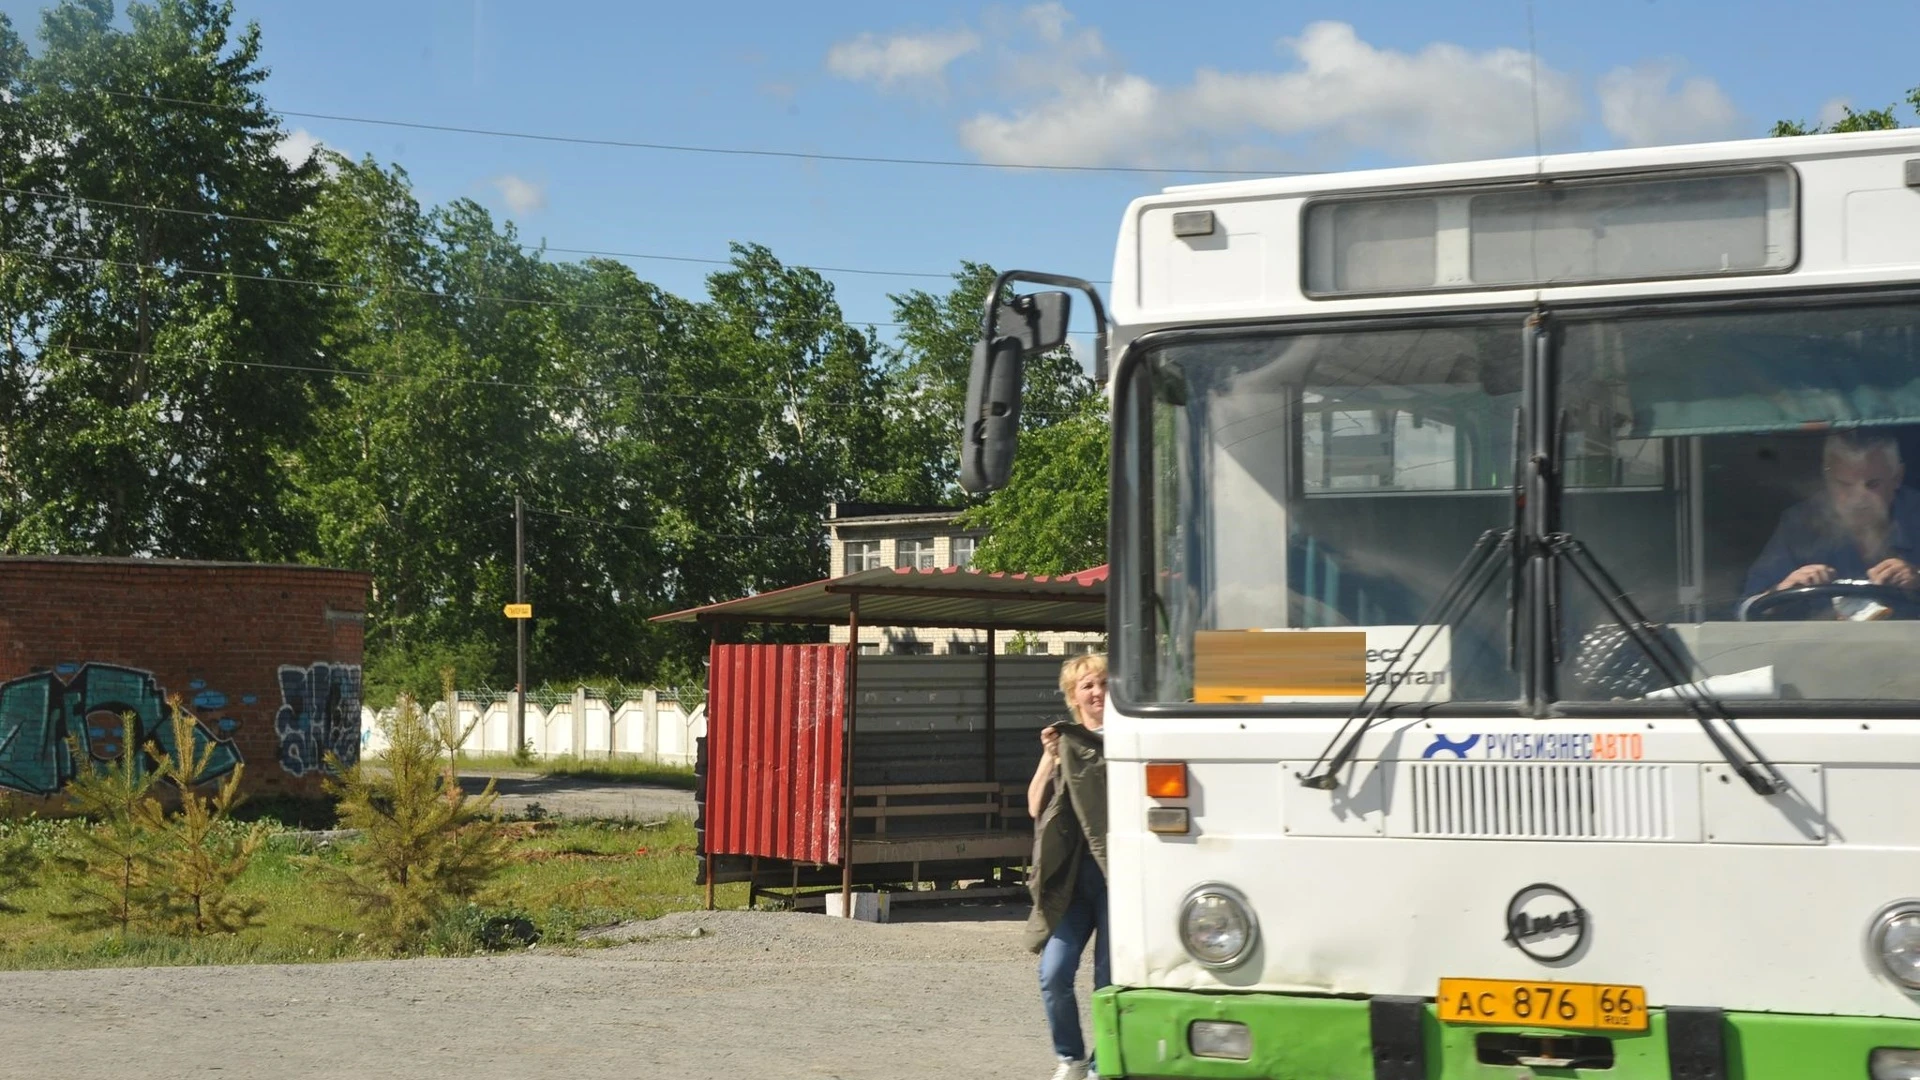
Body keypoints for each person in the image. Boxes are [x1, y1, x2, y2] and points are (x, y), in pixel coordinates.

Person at [1025, 652, 1109, 1080]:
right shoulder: (1065, 743)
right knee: (1053, 972)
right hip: (1072, 880)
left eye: (1103, 683)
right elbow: (1035, 805)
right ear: (1073, 696)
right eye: (1088, 686)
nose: (1097, 692)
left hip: (1116, 878)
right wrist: (1049, 758)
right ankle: (1071, 1057)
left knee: (1108, 980)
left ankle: (1103, 1062)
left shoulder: (1131, 738)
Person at [1743, 431, 1920, 603]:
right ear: (1827, 478)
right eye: (1845, 485)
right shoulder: (1800, 524)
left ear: (1897, 477)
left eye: (1872, 484)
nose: (1858, 499)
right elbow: (1746, 608)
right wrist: (1782, 590)